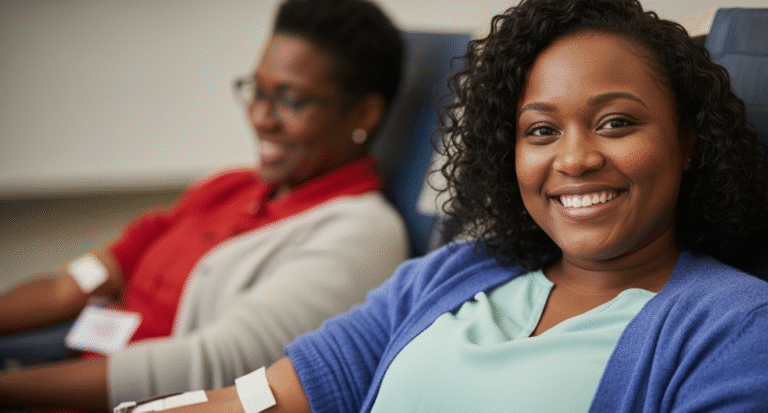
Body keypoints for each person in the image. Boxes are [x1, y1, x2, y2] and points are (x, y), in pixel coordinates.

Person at [151, 0, 768, 412]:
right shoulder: (460, 270)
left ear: (688, 141)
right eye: (541, 131)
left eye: (615, 123)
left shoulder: (736, 327)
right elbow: (265, 396)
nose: (575, 159)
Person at [0, 0, 409, 410]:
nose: (261, 118)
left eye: (291, 100)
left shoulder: (361, 231)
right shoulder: (226, 187)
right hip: (68, 369)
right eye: (257, 91)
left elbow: (214, 365)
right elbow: (75, 283)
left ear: (364, 113)